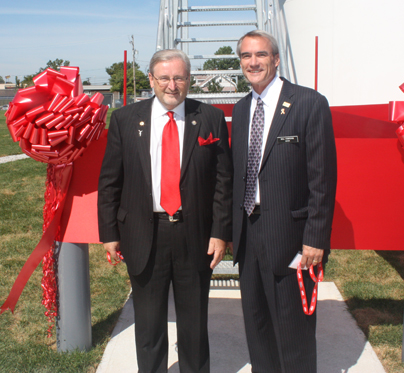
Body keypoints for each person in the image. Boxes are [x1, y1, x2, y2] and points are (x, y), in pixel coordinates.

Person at [97, 49, 232, 373]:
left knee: (194, 325)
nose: (172, 85)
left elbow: (223, 181)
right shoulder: (126, 120)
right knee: (148, 325)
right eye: (165, 78)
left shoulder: (210, 118)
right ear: (151, 80)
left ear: (189, 79)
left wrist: (220, 232)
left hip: (195, 234)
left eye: (180, 77)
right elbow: (110, 182)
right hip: (144, 234)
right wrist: (109, 233)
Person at [231, 30, 337, 373]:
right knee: (257, 324)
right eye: (246, 56)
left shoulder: (308, 103)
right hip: (249, 233)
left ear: (276, 59)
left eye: (260, 54)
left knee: (294, 330)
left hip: (292, 236)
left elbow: (323, 179)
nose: (253, 62)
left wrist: (315, 238)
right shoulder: (242, 108)